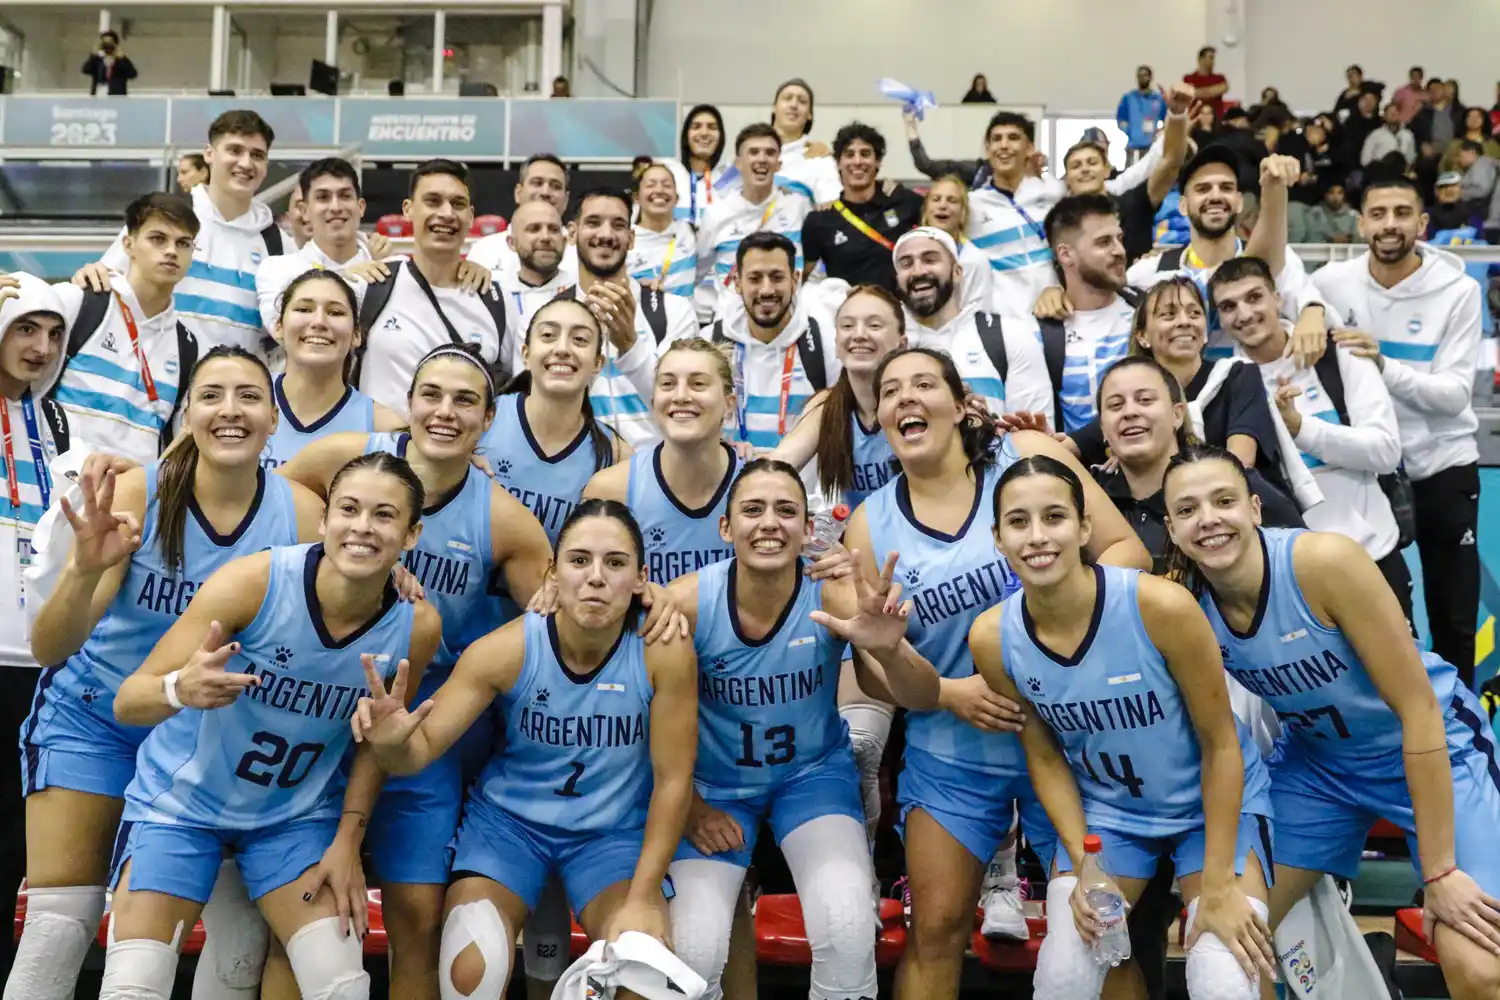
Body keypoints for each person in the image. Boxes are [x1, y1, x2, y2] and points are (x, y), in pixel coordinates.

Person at [811, 346, 1148, 1000]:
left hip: (1071, 737)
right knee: (934, 931)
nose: (906, 398)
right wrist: (934, 684)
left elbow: (1125, 548)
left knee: (1102, 933)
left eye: (924, 384)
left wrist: (1063, 631)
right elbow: (885, 688)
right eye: (890, 391)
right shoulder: (869, 528)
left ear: (962, 403)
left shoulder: (1022, 460)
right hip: (954, 750)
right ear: (877, 416)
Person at [11, 347, 324, 1000]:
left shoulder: (302, 515)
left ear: (274, 417)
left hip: (214, 738)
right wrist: (85, 570)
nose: (229, 410)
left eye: (247, 396)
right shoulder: (134, 492)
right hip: (96, 720)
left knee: (239, 934)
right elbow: (49, 646)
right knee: (58, 925)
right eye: (211, 395)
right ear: (187, 415)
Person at [1162, 444, 1500, 1000]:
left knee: (1479, 968)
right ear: (1172, 529)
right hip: (1319, 767)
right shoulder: (1183, 605)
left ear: (1254, 507)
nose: (1209, 520)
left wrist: (1439, 873)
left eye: (1223, 501)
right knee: (1225, 945)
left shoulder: (1322, 563)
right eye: (1189, 510)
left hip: (1432, 750)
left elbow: (1418, 711)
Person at [98, 453, 439, 1000]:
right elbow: (128, 701)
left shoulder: (415, 624)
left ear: (412, 533)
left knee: (343, 986)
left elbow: (379, 739)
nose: (362, 527)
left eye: (384, 515)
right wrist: (176, 690)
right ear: (324, 519)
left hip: (292, 817)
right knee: (132, 986)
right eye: (349, 509)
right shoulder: (255, 581)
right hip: (183, 807)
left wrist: (349, 842)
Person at [280, 344, 556, 997]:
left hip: (422, 724)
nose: (444, 412)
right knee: (300, 916)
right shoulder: (340, 458)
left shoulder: (504, 519)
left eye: (465, 400)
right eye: (431, 394)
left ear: (488, 420)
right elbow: (274, 508)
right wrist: (352, 556)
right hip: (318, 706)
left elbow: (552, 620)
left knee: (418, 919)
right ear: (409, 402)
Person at [352, 499, 698, 1000]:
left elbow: (673, 779)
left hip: (612, 835)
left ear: (642, 578)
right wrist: (388, 744)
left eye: (615, 563)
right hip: (510, 828)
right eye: (579, 561)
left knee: (639, 979)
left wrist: (643, 896)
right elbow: (417, 752)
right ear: (553, 573)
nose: (596, 577)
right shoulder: (507, 649)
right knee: (470, 972)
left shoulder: (662, 650)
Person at [974, 455, 1276, 1000]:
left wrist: (1216, 883)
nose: (1038, 537)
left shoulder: (1158, 605)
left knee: (1221, 976)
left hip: (1209, 811)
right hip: (1111, 817)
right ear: (997, 537)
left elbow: (1221, 743)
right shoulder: (993, 638)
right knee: (1066, 974)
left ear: (1085, 527)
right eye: (1019, 522)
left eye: (1055, 517)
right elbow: (1042, 755)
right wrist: (1085, 860)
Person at [665, 459, 878, 1000]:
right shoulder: (686, 603)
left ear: (809, 530)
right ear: (725, 527)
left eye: (787, 511)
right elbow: (644, 718)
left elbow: (893, 690)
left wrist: (885, 639)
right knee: (694, 950)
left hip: (809, 775)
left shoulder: (831, 593)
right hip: (714, 786)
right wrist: (686, 803)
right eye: (752, 509)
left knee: (847, 924)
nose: (769, 523)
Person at [1312, 177, 1484, 686]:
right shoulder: (1328, 283)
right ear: (1361, 223)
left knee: (1453, 613)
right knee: (1366, 610)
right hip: (1364, 470)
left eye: (1403, 213)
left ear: (1422, 224)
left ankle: (1461, 726)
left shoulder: (1459, 290)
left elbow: (1454, 395)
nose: (1390, 224)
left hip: (1441, 465)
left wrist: (1381, 364)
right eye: (1380, 213)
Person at [769, 287, 904, 858]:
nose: (859, 334)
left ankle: (997, 868)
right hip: (854, 589)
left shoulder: (923, 400)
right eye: (848, 324)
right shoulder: (829, 407)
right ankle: (864, 868)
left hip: (922, 582)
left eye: (874, 324)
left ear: (901, 338)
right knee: (861, 746)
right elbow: (777, 469)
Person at [1209, 256, 1409, 611]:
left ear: (1278, 298)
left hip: (1371, 556)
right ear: (1220, 319)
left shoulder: (1339, 353)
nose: (1243, 313)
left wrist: (1301, 429)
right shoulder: (1222, 382)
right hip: (1287, 574)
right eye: (1228, 306)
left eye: (1254, 297)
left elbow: (1386, 451)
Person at [1068, 277, 1316, 515]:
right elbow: (1065, 449)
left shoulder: (1237, 374)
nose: (1184, 321)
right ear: (1141, 336)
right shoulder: (1130, 404)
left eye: (1194, 313)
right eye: (1169, 315)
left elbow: (1240, 463)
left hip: (1256, 518)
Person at [82, 110, 288, 358]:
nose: (245, 163)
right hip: (156, 388)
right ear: (209, 154)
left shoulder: (280, 246)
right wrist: (91, 275)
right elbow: (107, 283)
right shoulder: (161, 216)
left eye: (257, 155)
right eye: (234, 150)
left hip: (235, 392)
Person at [0, 275, 71, 990]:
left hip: (35, 664)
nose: (40, 347)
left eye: (52, 334)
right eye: (25, 328)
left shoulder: (53, 420)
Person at [1093, 355, 1303, 571]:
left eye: (1145, 400)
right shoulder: (1092, 504)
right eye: (1116, 405)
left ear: (1177, 415)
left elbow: (1305, 566)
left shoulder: (1234, 482)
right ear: (1102, 429)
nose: (1130, 412)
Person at [526, 187, 697, 449]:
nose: (606, 235)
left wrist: (630, 345)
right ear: (572, 233)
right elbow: (533, 405)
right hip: (571, 471)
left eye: (617, 226)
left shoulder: (673, 311)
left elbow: (682, 404)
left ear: (631, 238)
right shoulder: (542, 314)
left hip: (654, 473)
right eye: (593, 223)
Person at [1125, 146, 1328, 363]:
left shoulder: (1278, 257)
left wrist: (1313, 313)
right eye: (1202, 189)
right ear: (1183, 205)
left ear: (1240, 201)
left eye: (1226, 187)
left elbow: (1308, 301)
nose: (1215, 196)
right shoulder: (1152, 272)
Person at [348, 159, 510, 414]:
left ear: (470, 216)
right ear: (408, 209)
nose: (446, 213)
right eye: (433, 201)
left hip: (463, 451)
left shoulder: (495, 299)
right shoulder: (372, 283)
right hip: (381, 452)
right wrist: (341, 275)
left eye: (457, 204)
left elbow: (517, 390)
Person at [48, 193, 199, 465]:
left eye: (183, 243)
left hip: (132, 499)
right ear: (128, 245)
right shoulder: (79, 301)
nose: (171, 251)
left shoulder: (186, 345)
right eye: (158, 238)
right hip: (58, 488)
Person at [584, 338, 741, 586]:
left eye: (698, 384)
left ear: (729, 405)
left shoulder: (756, 488)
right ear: (654, 401)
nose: (680, 396)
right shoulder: (611, 490)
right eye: (667, 384)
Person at [478, 298, 630, 544]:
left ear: (598, 364)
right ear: (525, 354)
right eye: (548, 335)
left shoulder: (616, 455)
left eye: (580, 339)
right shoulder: (482, 419)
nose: (562, 349)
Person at [892, 227, 1052, 420]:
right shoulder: (888, 344)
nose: (918, 271)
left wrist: (986, 428)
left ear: (958, 272)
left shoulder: (1009, 334)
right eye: (906, 264)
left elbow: (1035, 435)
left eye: (930, 259)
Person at [706, 232, 841, 454]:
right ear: (737, 283)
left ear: (795, 280)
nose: (766, 290)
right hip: (729, 485)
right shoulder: (710, 342)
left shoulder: (825, 342)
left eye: (777, 277)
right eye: (755, 278)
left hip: (802, 487)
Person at [260, 270, 403, 470]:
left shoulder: (383, 428)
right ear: (278, 326)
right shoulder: (242, 404)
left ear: (356, 334)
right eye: (303, 309)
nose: (318, 322)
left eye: (335, 313)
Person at [1032, 195, 1136, 433]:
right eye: (1103, 242)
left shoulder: (1147, 312)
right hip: (1072, 463)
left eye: (1119, 239)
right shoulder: (1040, 333)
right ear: (1066, 255)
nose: (1119, 250)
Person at [695, 124, 814, 324]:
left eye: (769, 153)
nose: (762, 158)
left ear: (778, 163)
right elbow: (694, 274)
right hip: (731, 327)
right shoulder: (716, 213)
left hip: (789, 326)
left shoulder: (798, 207)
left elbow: (814, 266)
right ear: (739, 163)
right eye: (753, 152)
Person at [255, 159, 380, 335]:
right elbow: (283, 333)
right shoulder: (277, 270)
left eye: (345, 196)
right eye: (323, 197)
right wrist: (349, 279)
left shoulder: (386, 269)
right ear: (304, 210)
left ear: (360, 207)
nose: (335, 207)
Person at [801, 123, 924, 292]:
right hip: (844, 314)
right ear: (838, 163)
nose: (857, 161)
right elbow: (802, 279)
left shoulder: (905, 202)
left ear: (878, 162)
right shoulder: (821, 220)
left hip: (899, 313)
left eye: (865, 154)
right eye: (849, 155)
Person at [966, 111, 1057, 316]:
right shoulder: (971, 205)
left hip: (1055, 316)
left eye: (1013, 138)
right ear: (988, 149)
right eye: (996, 139)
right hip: (1001, 325)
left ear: (1029, 148)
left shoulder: (1052, 197)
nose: (1004, 145)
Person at [468, 153, 580, 280]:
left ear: (566, 199)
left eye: (555, 186)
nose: (545, 192)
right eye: (537, 183)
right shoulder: (484, 250)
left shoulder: (579, 253)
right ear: (518, 192)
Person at [916, 177, 993, 312]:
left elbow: (980, 313)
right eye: (936, 199)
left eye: (952, 200)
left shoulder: (975, 260)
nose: (943, 205)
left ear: (963, 212)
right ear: (926, 209)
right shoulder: (908, 253)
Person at [630, 163, 698, 301]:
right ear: (636, 197)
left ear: (676, 198)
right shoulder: (625, 240)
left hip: (686, 321)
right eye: (651, 185)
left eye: (667, 185)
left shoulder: (688, 232)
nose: (659, 190)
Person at [665, 105, 730, 226]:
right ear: (686, 135)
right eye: (696, 127)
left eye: (712, 127)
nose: (704, 133)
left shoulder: (731, 177)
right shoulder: (668, 173)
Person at [1117, 67, 1167, 165]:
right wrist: (1130, 131)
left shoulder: (1158, 99)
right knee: (1131, 175)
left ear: (1150, 77)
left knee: (1150, 176)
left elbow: (1167, 119)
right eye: (1140, 75)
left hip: (1152, 146)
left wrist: (1160, 132)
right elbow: (1120, 119)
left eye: (1145, 75)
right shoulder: (1128, 98)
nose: (1142, 78)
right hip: (1133, 146)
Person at [1440, 107, 1500, 172]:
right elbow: (1443, 165)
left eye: (1478, 116)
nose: (1473, 119)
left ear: (1484, 120)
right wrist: (1459, 161)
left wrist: (1477, 161)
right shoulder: (1455, 143)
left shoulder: (1491, 144)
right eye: (1469, 117)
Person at [1413, 78, 1466, 150]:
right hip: (1431, 149)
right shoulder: (1423, 111)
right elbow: (1414, 133)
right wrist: (1422, 145)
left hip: (1453, 150)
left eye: (1438, 89)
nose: (1435, 92)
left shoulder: (1459, 111)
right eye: (1431, 91)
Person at [1362, 102, 1418, 167]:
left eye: (1395, 113)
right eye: (1390, 113)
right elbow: (1365, 160)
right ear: (1385, 116)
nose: (1393, 115)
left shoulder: (1408, 135)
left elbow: (1410, 158)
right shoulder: (1375, 135)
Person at [82, 30, 136, 96]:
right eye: (105, 43)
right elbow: (85, 70)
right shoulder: (97, 60)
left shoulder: (120, 60)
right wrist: (93, 55)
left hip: (116, 97)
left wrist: (122, 58)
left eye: (110, 43)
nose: (108, 46)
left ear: (116, 44)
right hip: (98, 96)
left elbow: (132, 74)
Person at [1184, 46, 1228, 120]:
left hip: (1216, 121)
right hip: (1195, 121)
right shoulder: (1188, 78)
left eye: (1213, 58)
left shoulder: (1220, 78)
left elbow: (1196, 93)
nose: (1213, 62)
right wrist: (1212, 91)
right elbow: (1189, 93)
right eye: (1210, 58)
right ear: (1200, 59)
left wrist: (1197, 92)